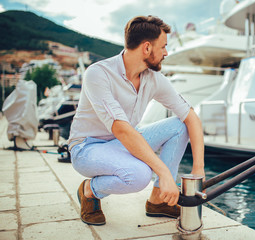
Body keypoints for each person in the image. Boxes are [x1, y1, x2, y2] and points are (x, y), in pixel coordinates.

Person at [68, 15, 205, 226]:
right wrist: (164, 173)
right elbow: (121, 130)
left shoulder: (153, 79)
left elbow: (190, 117)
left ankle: (158, 201)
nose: (166, 53)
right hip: (87, 148)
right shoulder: (98, 74)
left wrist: (198, 169)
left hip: (122, 143)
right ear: (147, 47)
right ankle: (89, 191)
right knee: (139, 175)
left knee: (179, 125)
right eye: (163, 47)